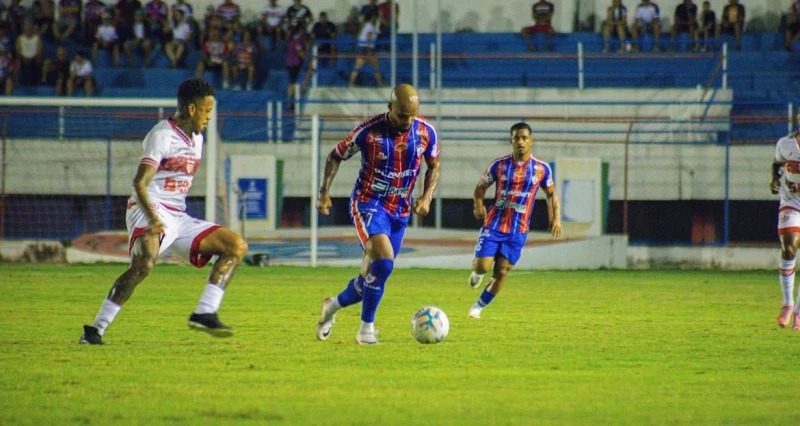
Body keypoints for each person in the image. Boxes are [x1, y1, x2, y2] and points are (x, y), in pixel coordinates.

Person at [79, 78, 249, 345]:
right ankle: (95, 330)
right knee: (144, 264)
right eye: (207, 111)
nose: (209, 118)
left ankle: (205, 312)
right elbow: (140, 183)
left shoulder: (198, 139)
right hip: (148, 207)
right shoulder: (162, 135)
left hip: (178, 216)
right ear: (191, 109)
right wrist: (154, 219)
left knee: (236, 245)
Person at [315, 83, 441, 345]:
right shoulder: (368, 132)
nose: (407, 121)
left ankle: (330, 308)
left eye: (412, 116)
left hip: (400, 211)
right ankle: (366, 330)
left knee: (367, 282)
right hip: (368, 204)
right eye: (402, 115)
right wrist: (324, 192)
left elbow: (434, 165)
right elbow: (335, 155)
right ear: (389, 108)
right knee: (384, 262)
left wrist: (427, 197)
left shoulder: (426, 132)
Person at [467, 122, 561, 319]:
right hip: (494, 225)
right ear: (511, 141)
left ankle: (478, 307)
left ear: (531, 141)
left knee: (501, 271)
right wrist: (478, 205)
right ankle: (477, 272)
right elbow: (480, 188)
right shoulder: (499, 165)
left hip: (518, 230)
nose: (520, 142)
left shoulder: (541, 169)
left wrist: (556, 218)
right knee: (482, 267)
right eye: (516, 138)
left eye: (524, 138)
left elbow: (551, 194)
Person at [770, 111, 800, 331]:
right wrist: (774, 179)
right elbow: (777, 164)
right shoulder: (785, 143)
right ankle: (788, 304)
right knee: (789, 247)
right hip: (791, 201)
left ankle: (799, 312)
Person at [348, 13, 383, 88]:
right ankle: (380, 84)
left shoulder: (366, 25)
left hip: (362, 47)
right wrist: (369, 51)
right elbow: (368, 38)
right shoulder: (369, 26)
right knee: (375, 66)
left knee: (358, 67)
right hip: (366, 48)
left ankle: (351, 84)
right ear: (373, 17)